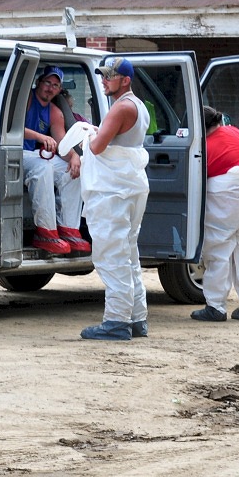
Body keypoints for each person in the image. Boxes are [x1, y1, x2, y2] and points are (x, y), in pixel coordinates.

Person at [79, 57, 150, 341]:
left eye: (110, 76)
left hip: (113, 192)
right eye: (104, 76)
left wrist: (86, 135)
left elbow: (97, 147)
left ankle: (117, 321)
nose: (105, 80)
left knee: (112, 254)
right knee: (129, 252)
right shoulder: (140, 107)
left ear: (126, 80)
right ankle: (136, 317)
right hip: (131, 187)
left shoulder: (120, 107)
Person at [191, 106, 239, 322]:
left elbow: (196, 182)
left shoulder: (205, 147)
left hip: (225, 198)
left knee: (218, 251)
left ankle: (216, 306)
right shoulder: (235, 132)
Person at [23, 65, 90, 254]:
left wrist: (75, 156)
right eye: (47, 83)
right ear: (38, 83)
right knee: (43, 167)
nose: (50, 88)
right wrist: (40, 137)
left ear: (59, 90)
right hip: (15, 153)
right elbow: (11, 128)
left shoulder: (54, 112)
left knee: (72, 170)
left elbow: (62, 144)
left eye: (55, 85)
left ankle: (68, 229)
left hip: (36, 156)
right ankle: (45, 232)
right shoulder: (26, 99)